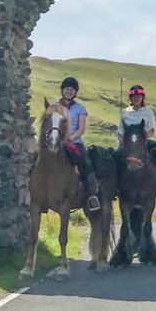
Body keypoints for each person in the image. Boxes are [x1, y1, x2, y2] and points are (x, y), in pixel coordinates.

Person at [118, 84, 156, 200]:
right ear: (130, 99)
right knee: (112, 160)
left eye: (139, 96)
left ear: (142, 98)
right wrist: (125, 144)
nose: (136, 99)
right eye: (134, 97)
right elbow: (120, 131)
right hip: (128, 145)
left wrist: (139, 142)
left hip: (146, 143)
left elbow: (151, 131)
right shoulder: (124, 112)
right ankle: (113, 189)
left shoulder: (148, 112)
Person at [58, 77, 101, 212]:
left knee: (87, 165)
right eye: (67, 89)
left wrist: (69, 139)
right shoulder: (55, 106)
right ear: (62, 90)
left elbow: (81, 129)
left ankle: (92, 197)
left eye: (72, 89)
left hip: (75, 142)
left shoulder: (80, 108)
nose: (69, 91)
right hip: (56, 142)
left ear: (75, 92)